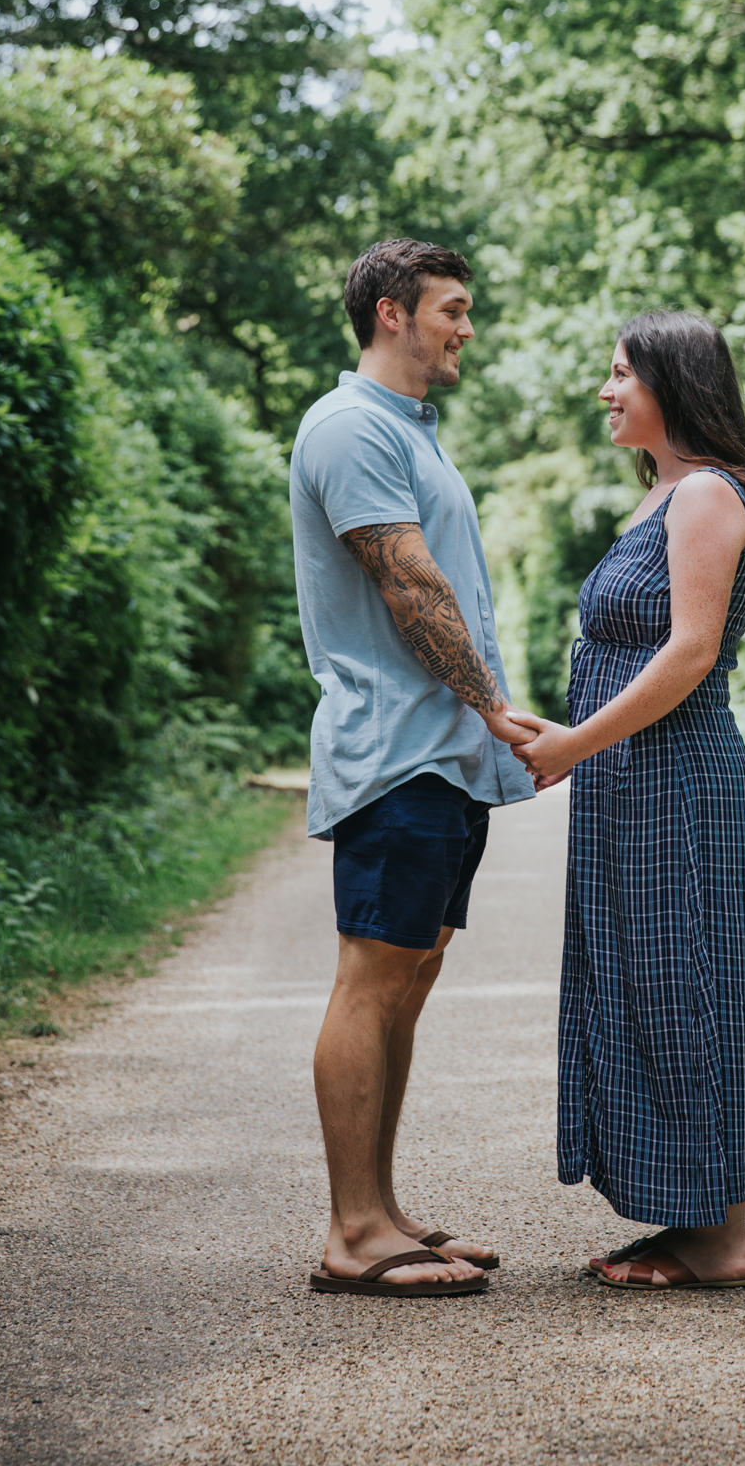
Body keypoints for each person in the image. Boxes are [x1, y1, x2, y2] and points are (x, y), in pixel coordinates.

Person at [509, 311, 745, 1292]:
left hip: (676, 777)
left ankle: (719, 1234)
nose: (605, 388)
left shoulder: (706, 494)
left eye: (621, 371)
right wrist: (558, 733)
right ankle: (688, 1214)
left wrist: (575, 744)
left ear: (674, 381)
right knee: (643, 983)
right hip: (629, 780)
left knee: (689, 986)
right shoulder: (660, 495)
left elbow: (689, 652)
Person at [289, 239, 536, 1296]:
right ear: (391, 311)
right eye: (451, 308)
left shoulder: (409, 429)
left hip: (443, 755)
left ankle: (382, 1209)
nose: (464, 328)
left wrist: (480, 729)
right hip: (395, 749)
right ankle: (351, 1230)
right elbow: (410, 586)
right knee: (371, 975)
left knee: (410, 979)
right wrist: (491, 702)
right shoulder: (349, 426)